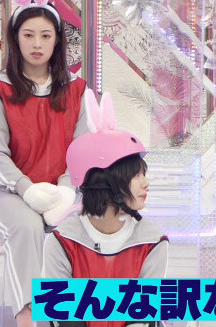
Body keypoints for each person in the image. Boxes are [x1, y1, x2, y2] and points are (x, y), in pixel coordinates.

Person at [0, 0, 92, 327]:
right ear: (16, 38)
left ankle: (78, 315)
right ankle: (28, 316)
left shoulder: (77, 89)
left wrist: (65, 190)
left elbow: (83, 150)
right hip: (4, 193)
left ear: (57, 40)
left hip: (62, 191)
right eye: (28, 35)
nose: (37, 43)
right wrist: (27, 189)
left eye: (46, 35)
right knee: (28, 226)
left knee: (88, 224)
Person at [43, 92, 169, 327]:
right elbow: (62, 317)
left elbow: (143, 317)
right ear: (104, 181)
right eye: (136, 175)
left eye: (145, 174)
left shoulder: (152, 241)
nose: (146, 183)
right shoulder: (63, 241)